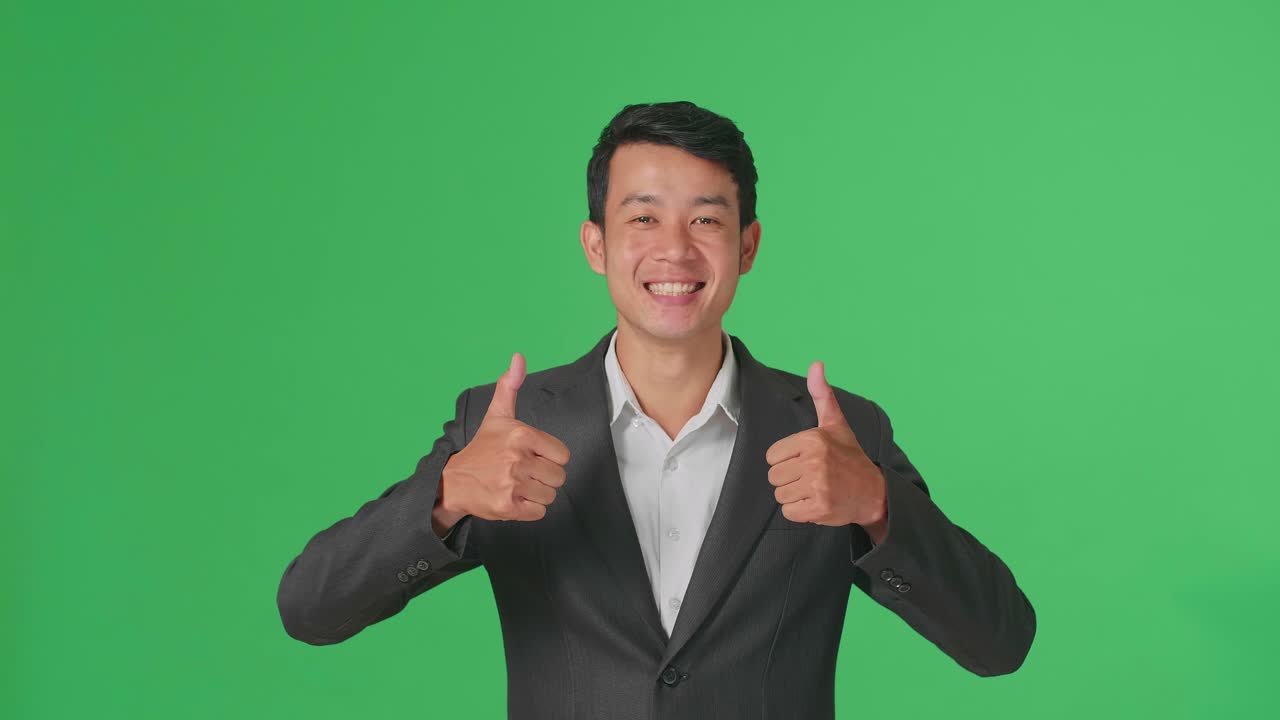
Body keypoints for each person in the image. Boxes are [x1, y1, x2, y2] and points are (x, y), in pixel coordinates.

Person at [276, 101, 1036, 719]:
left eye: (706, 219)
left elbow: (999, 642)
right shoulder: (505, 428)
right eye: (642, 218)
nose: (674, 250)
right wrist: (443, 502)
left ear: (748, 245)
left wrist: (877, 506)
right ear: (596, 245)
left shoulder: (838, 432)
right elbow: (311, 609)